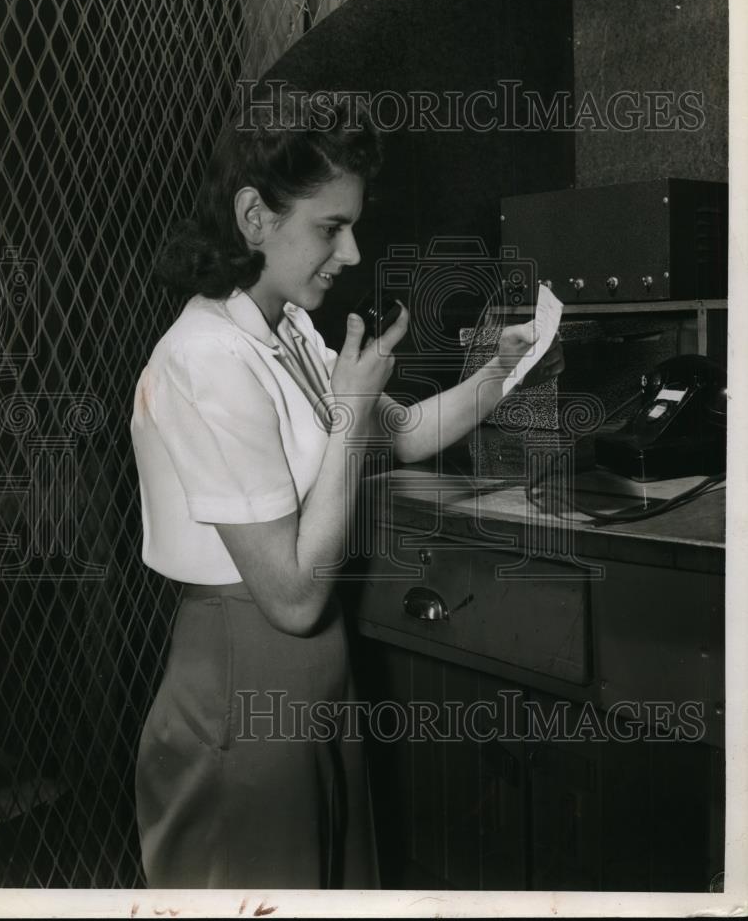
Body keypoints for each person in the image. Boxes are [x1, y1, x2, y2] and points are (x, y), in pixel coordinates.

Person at [130, 88, 564, 890]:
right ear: (254, 216)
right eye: (331, 227)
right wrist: (351, 411)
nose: (354, 252)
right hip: (244, 692)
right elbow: (291, 596)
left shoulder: (286, 328)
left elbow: (401, 434)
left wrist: (502, 370)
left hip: (313, 685)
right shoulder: (205, 361)